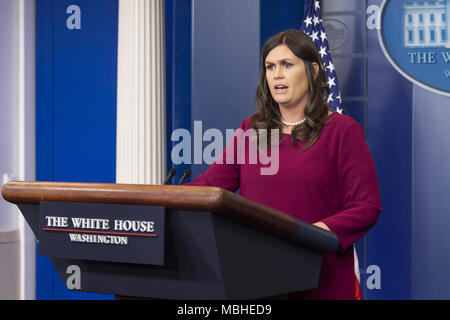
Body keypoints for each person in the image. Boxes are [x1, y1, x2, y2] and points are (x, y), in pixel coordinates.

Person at [184, 29, 382, 300]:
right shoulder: (254, 130)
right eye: (270, 67)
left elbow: (366, 206)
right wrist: (166, 201)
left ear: (312, 71)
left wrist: (312, 235)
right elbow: (209, 186)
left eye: (287, 65)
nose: (277, 74)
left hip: (320, 282)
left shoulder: (341, 131)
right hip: (260, 282)